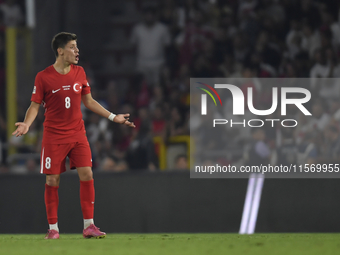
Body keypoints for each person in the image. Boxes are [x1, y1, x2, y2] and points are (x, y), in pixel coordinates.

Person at [12, 32, 135, 239]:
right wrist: (27, 123)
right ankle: (53, 229)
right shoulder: (43, 77)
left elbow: (89, 101)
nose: (77, 51)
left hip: (78, 133)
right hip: (53, 135)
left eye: (77, 47)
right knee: (52, 180)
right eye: (72, 47)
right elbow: (35, 106)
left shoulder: (80, 72)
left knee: (87, 174)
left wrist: (114, 117)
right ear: (60, 51)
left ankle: (89, 226)